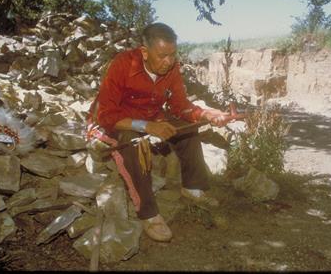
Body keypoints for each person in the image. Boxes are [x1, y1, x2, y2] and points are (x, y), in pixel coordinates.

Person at [95, 22, 230, 242]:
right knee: (133, 144)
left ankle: (193, 188)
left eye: (173, 55)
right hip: (118, 123)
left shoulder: (171, 68)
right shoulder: (122, 65)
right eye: (162, 56)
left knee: (188, 130)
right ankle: (148, 214)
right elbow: (106, 115)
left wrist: (207, 115)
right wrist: (146, 127)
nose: (168, 62)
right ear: (145, 52)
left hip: (150, 119)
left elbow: (180, 106)